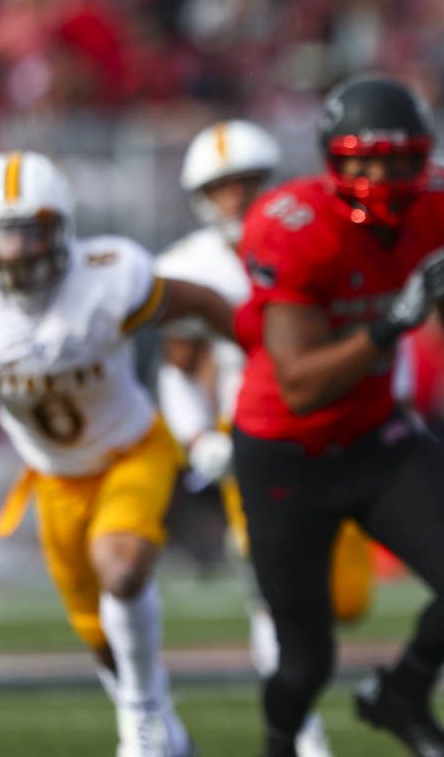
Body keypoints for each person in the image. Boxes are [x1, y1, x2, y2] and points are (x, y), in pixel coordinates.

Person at [0, 150, 239, 757]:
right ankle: (161, 725)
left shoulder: (109, 276)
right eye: (0, 234)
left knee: (121, 567)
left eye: (29, 231)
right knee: (96, 633)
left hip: (131, 449)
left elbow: (200, 303)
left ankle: (140, 726)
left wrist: (257, 346)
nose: (15, 251)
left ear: (61, 229)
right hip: (52, 475)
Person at [231, 76, 444, 757]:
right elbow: (299, 386)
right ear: (332, 159)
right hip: (284, 451)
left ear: (423, 158)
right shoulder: (292, 227)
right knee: (304, 662)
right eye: (362, 160)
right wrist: (390, 326)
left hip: (374, 438)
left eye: (396, 159)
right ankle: (277, 745)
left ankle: (403, 693)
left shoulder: (441, 205)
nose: (379, 176)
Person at [154, 118, 335, 757]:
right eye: (223, 187)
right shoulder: (189, 265)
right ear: (202, 196)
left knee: (344, 596)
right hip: (252, 432)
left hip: (327, 426)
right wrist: (198, 434)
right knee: (272, 587)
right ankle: (303, 731)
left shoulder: (312, 239)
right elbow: (176, 369)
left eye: (248, 183)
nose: (237, 199)